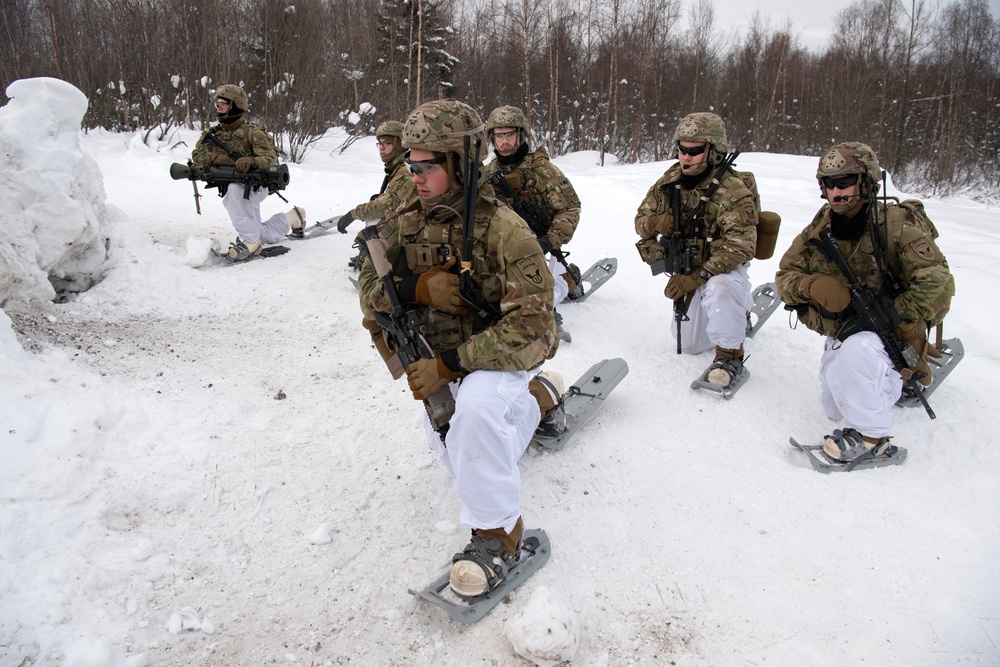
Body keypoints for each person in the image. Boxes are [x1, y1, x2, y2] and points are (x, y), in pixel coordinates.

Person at [357, 99, 560, 598]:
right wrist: (415, 289)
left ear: (459, 164)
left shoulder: (505, 228)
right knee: (457, 446)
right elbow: (367, 287)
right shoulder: (405, 218)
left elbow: (535, 319)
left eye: (428, 166)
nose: (417, 176)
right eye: (411, 165)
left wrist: (451, 365)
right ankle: (538, 402)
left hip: (499, 352)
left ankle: (497, 535)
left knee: (475, 411)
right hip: (436, 352)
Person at [775, 142, 955, 462]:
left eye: (844, 182)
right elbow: (785, 275)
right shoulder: (822, 226)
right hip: (849, 332)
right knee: (833, 407)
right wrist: (811, 285)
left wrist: (892, 312)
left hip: (893, 335)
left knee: (860, 352)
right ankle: (877, 389)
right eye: (828, 183)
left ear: (866, 181)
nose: (835, 191)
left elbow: (939, 284)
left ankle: (873, 437)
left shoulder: (897, 225)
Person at [633, 112, 758, 387]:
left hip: (720, 269)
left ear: (713, 151)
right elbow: (640, 224)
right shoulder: (669, 182)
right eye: (682, 150)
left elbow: (742, 244)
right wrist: (657, 222)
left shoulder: (731, 190)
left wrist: (698, 277)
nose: (686, 157)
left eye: (695, 151)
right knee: (688, 345)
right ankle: (732, 314)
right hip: (687, 268)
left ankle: (731, 354)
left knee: (721, 288)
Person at [190, 84, 305, 261]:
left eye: (223, 104)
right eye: (217, 104)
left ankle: (251, 243)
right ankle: (293, 217)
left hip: (256, 185)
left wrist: (252, 161)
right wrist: (221, 158)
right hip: (232, 182)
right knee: (262, 233)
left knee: (235, 193)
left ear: (235, 105)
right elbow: (197, 155)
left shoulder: (252, 132)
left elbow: (271, 158)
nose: (218, 108)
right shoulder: (213, 133)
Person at [483, 106, 582, 308]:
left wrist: (550, 240)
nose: (504, 141)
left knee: (544, 300)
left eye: (509, 134)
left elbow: (570, 208)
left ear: (521, 135)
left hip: (538, 241)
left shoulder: (542, 170)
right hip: (500, 245)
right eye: (498, 135)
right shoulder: (488, 171)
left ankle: (569, 279)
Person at [336, 120, 417, 269]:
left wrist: (354, 214)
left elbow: (384, 206)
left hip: (413, 226)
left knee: (375, 220)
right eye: (379, 144)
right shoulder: (398, 167)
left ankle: (384, 262)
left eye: (386, 144)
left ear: (399, 144)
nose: (381, 148)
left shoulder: (404, 172)